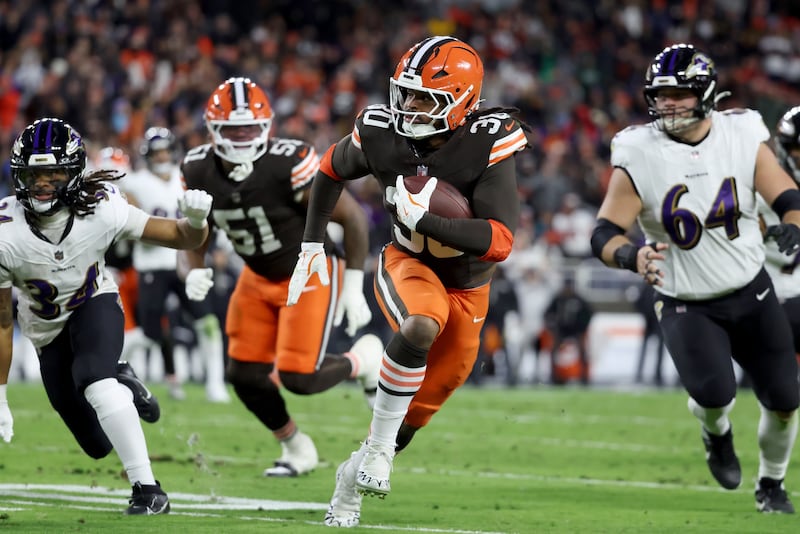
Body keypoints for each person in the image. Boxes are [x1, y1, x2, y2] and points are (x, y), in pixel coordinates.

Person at [286, 36, 528, 527]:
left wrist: (429, 221)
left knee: (416, 415)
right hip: (407, 263)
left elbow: (500, 240)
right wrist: (312, 242)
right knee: (421, 323)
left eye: (425, 98)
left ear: (463, 100)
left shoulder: (488, 141)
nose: (410, 106)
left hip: (469, 286)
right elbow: (329, 170)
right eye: (407, 94)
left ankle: (351, 478)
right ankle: (376, 451)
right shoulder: (380, 132)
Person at [590, 43, 800, 514]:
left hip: (752, 288)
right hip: (687, 299)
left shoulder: (741, 133)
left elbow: (785, 193)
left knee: (787, 398)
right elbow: (603, 232)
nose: (667, 103)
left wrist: (794, 223)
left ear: (704, 93)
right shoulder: (639, 150)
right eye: (660, 94)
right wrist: (631, 255)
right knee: (713, 394)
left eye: (679, 93)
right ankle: (716, 432)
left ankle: (771, 484)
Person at [0, 117, 214, 515]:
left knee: (95, 382)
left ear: (75, 173)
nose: (43, 184)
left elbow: (180, 236)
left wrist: (198, 222)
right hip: (46, 333)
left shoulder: (102, 209)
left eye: (54, 173)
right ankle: (126, 383)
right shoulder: (5, 232)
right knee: (97, 446)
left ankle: (149, 490)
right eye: (34, 174)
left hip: (93, 303)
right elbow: (0, 322)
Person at [179, 77, 382, 478]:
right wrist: (194, 265)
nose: (242, 138)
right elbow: (195, 227)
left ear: (267, 127)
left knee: (299, 378)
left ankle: (366, 360)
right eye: (233, 130)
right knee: (243, 374)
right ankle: (295, 446)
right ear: (212, 129)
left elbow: (352, 217)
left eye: (250, 129)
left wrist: (355, 286)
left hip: (308, 271)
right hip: (256, 275)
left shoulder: (288, 162)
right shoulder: (197, 168)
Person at [125, 127, 229, 403]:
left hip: (185, 263)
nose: (161, 156)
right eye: (156, 152)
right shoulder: (134, 183)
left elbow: (209, 218)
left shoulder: (186, 179)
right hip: (150, 265)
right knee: (149, 333)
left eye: (164, 150)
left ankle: (215, 384)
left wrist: (216, 247)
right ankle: (114, 371)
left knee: (207, 322)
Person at [542, 276, 593, 385]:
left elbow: (589, 314)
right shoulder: (558, 299)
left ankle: (584, 377)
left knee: (583, 351)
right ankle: (555, 376)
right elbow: (547, 313)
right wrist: (552, 326)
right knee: (553, 351)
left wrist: (582, 327)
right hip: (561, 330)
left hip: (576, 330)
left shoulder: (579, 300)